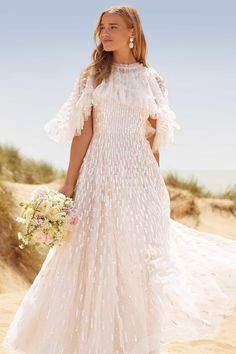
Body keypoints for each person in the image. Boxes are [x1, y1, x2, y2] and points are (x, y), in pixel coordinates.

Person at [3, 5, 236, 354]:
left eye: (113, 27)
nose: (105, 33)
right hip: (100, 170)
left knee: (135, 262)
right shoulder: (93, 76)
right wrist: (69, 185)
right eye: (101, 28)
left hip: (140, 178)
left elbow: (153, 139)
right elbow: (83, 133)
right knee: (90, 252)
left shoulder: (153, 79)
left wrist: (156, 185)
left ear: (133, 32)